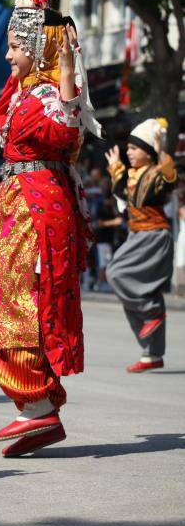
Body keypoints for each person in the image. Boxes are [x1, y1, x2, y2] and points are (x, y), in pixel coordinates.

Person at [0, 0, 101, 458]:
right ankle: (38, 408)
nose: (8, 54)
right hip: (18, 207)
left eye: (15, 46)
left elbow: (67, 133)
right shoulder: (27, 90)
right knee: (11, 303)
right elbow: (2, 116)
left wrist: (65, 67)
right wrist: (27, 66)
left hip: (35, 211)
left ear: (40, 50)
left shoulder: (52, 94)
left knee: (21, 306)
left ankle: (37, 407)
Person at [105, 118, 177, 373]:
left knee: (116, 274)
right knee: (142, 291)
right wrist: (115, 169)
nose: (128, 152)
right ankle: (152, 353)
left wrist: (161, 152)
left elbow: (170, 178)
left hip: (154, 237)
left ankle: (151, 314)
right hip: (137, 236)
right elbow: (123, 195)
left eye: (134, 149)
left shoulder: (158, 172)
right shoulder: (133, 174)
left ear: (148, 151)